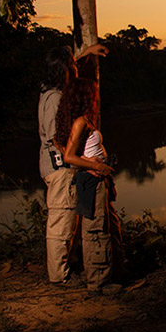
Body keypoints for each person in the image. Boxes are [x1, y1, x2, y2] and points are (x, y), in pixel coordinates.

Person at [38, 44, 107, 286]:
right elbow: (55, 138)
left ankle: (66, 269)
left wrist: (85, 53)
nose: (75, 68)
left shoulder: (51, 90)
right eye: (73, 65)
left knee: (68, 221)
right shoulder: (55, 98)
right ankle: (60, 277)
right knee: (61, 224)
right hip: (59, 170)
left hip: (62, 168)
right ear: (65, 70)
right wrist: (85, 161)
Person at [54, 77, 119, 293]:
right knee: (96, 230)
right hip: (92, 181)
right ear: (84, 97)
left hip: (94, 179)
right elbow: (69, 157)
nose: (94, 97)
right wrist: (95, 166)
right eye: (91, 93)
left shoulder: (77, 120)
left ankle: (101, 277)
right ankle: (99, 283)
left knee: (99, 227)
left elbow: (60, 144)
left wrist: (88, 160)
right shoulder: (80, 121)